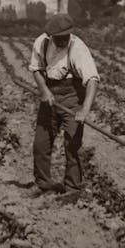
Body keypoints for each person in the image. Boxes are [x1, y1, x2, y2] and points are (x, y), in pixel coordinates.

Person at [29, 13, 99, 202]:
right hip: (49, 97)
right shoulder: (41, 43)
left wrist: (84, 109)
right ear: (51, 36)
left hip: (72, 99)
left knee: (72, 145)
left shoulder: (78, 49)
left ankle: (72, 188)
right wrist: (44, 90)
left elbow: (92, 80)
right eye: (58, 38)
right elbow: (35, 69)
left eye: (66, 37)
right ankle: (43, 184)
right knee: (40, 144)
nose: (63, 41)